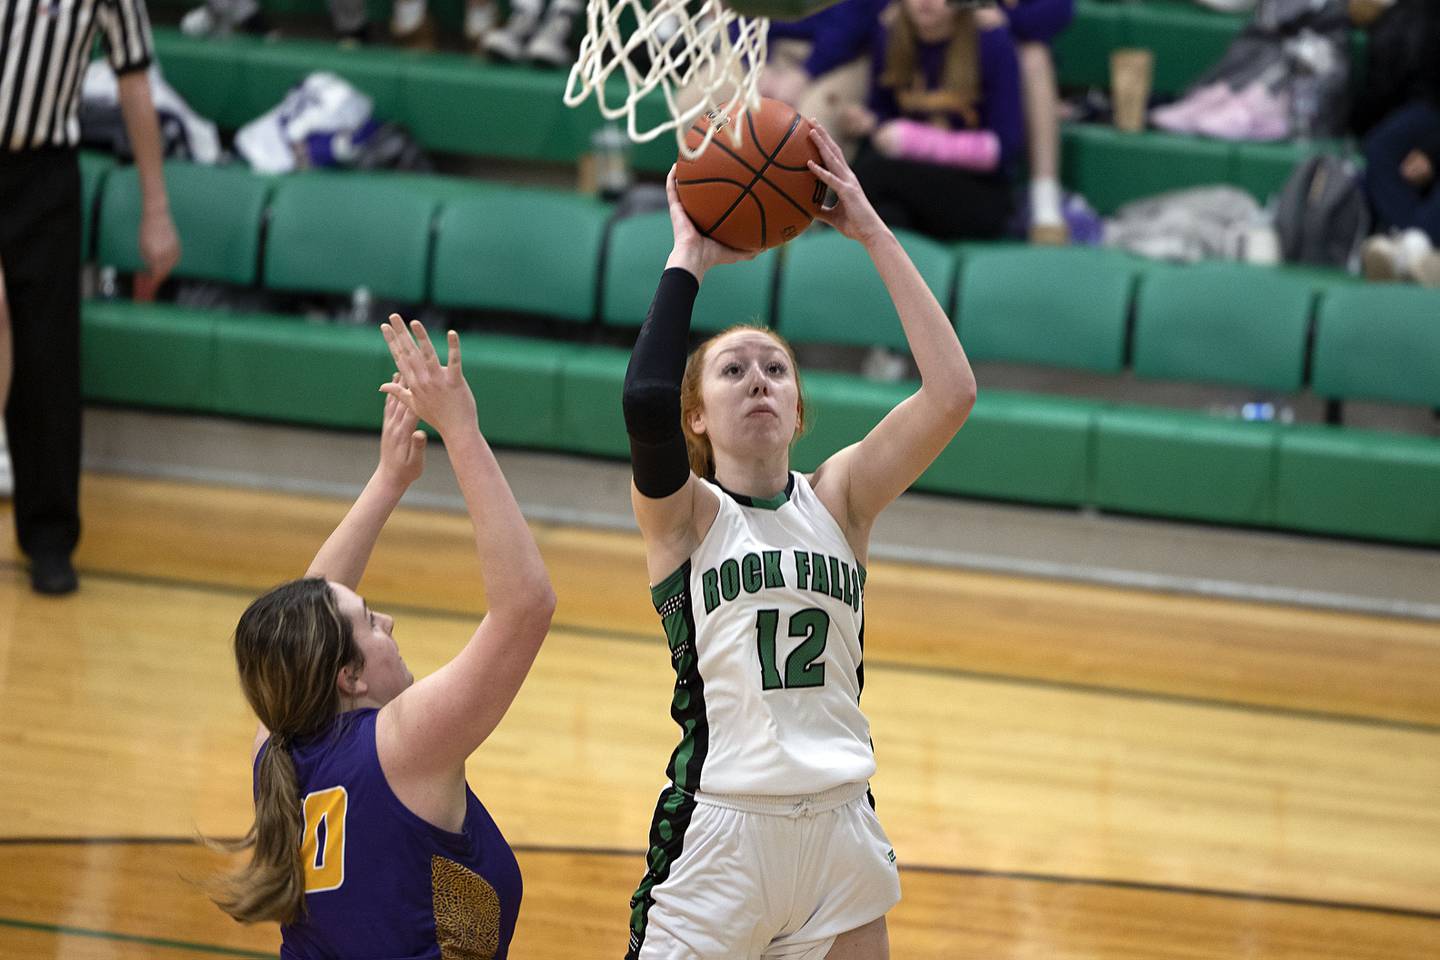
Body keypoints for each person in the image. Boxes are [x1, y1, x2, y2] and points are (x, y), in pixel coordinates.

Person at [620, 124, 977, 959]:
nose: (759, 381)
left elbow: (952, 391)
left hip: (840, 825)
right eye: (734, 370)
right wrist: (690, 259)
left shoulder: (841, 500)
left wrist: (869, 230)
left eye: (776, 369)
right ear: (697, 417)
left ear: (798, 410)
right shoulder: (686, 519)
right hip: (723, 834)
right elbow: (643, 397)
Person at [210, 315, 556, 958]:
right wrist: (461, 431)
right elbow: (526, 608)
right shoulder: (402, 746)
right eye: (371, 621)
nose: (389, 624)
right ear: (350, 677)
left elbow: (305, 613)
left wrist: (389, 480)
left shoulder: (279, 752)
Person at [1, 0, 180, 595]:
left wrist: (156, 210)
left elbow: (134, 83)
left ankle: (49, 537)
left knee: (47, 356)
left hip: (44, 173)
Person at [840, 0, 1023, 241]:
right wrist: (868, 121)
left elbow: (1005, 148)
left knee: (872, 174)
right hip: (910, 186)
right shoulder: (889, 35)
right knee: (889, 216)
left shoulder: (990, 40)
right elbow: (884, 113)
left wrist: (914, 140)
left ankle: (830, 218)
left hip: (977, 192)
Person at [998, 0, 1074, 243]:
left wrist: (1000, 19)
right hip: (938, 44)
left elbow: (1057, 11)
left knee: (1035, 56)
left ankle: (1045, 197)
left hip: (1000, 54)